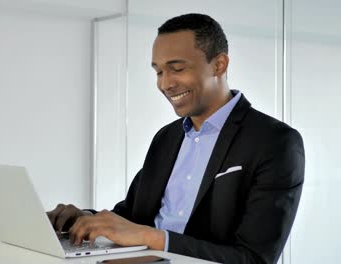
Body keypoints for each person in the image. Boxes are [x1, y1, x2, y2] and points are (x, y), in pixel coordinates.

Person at [47, 13, 304, 264]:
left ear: (219, 65)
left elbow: (253, 257)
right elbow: (131, 215)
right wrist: (81, 219)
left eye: (177, 68)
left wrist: (154, 238)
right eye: (158, 72)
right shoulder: (167, 138)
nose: (165, 84)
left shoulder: (275, 142)